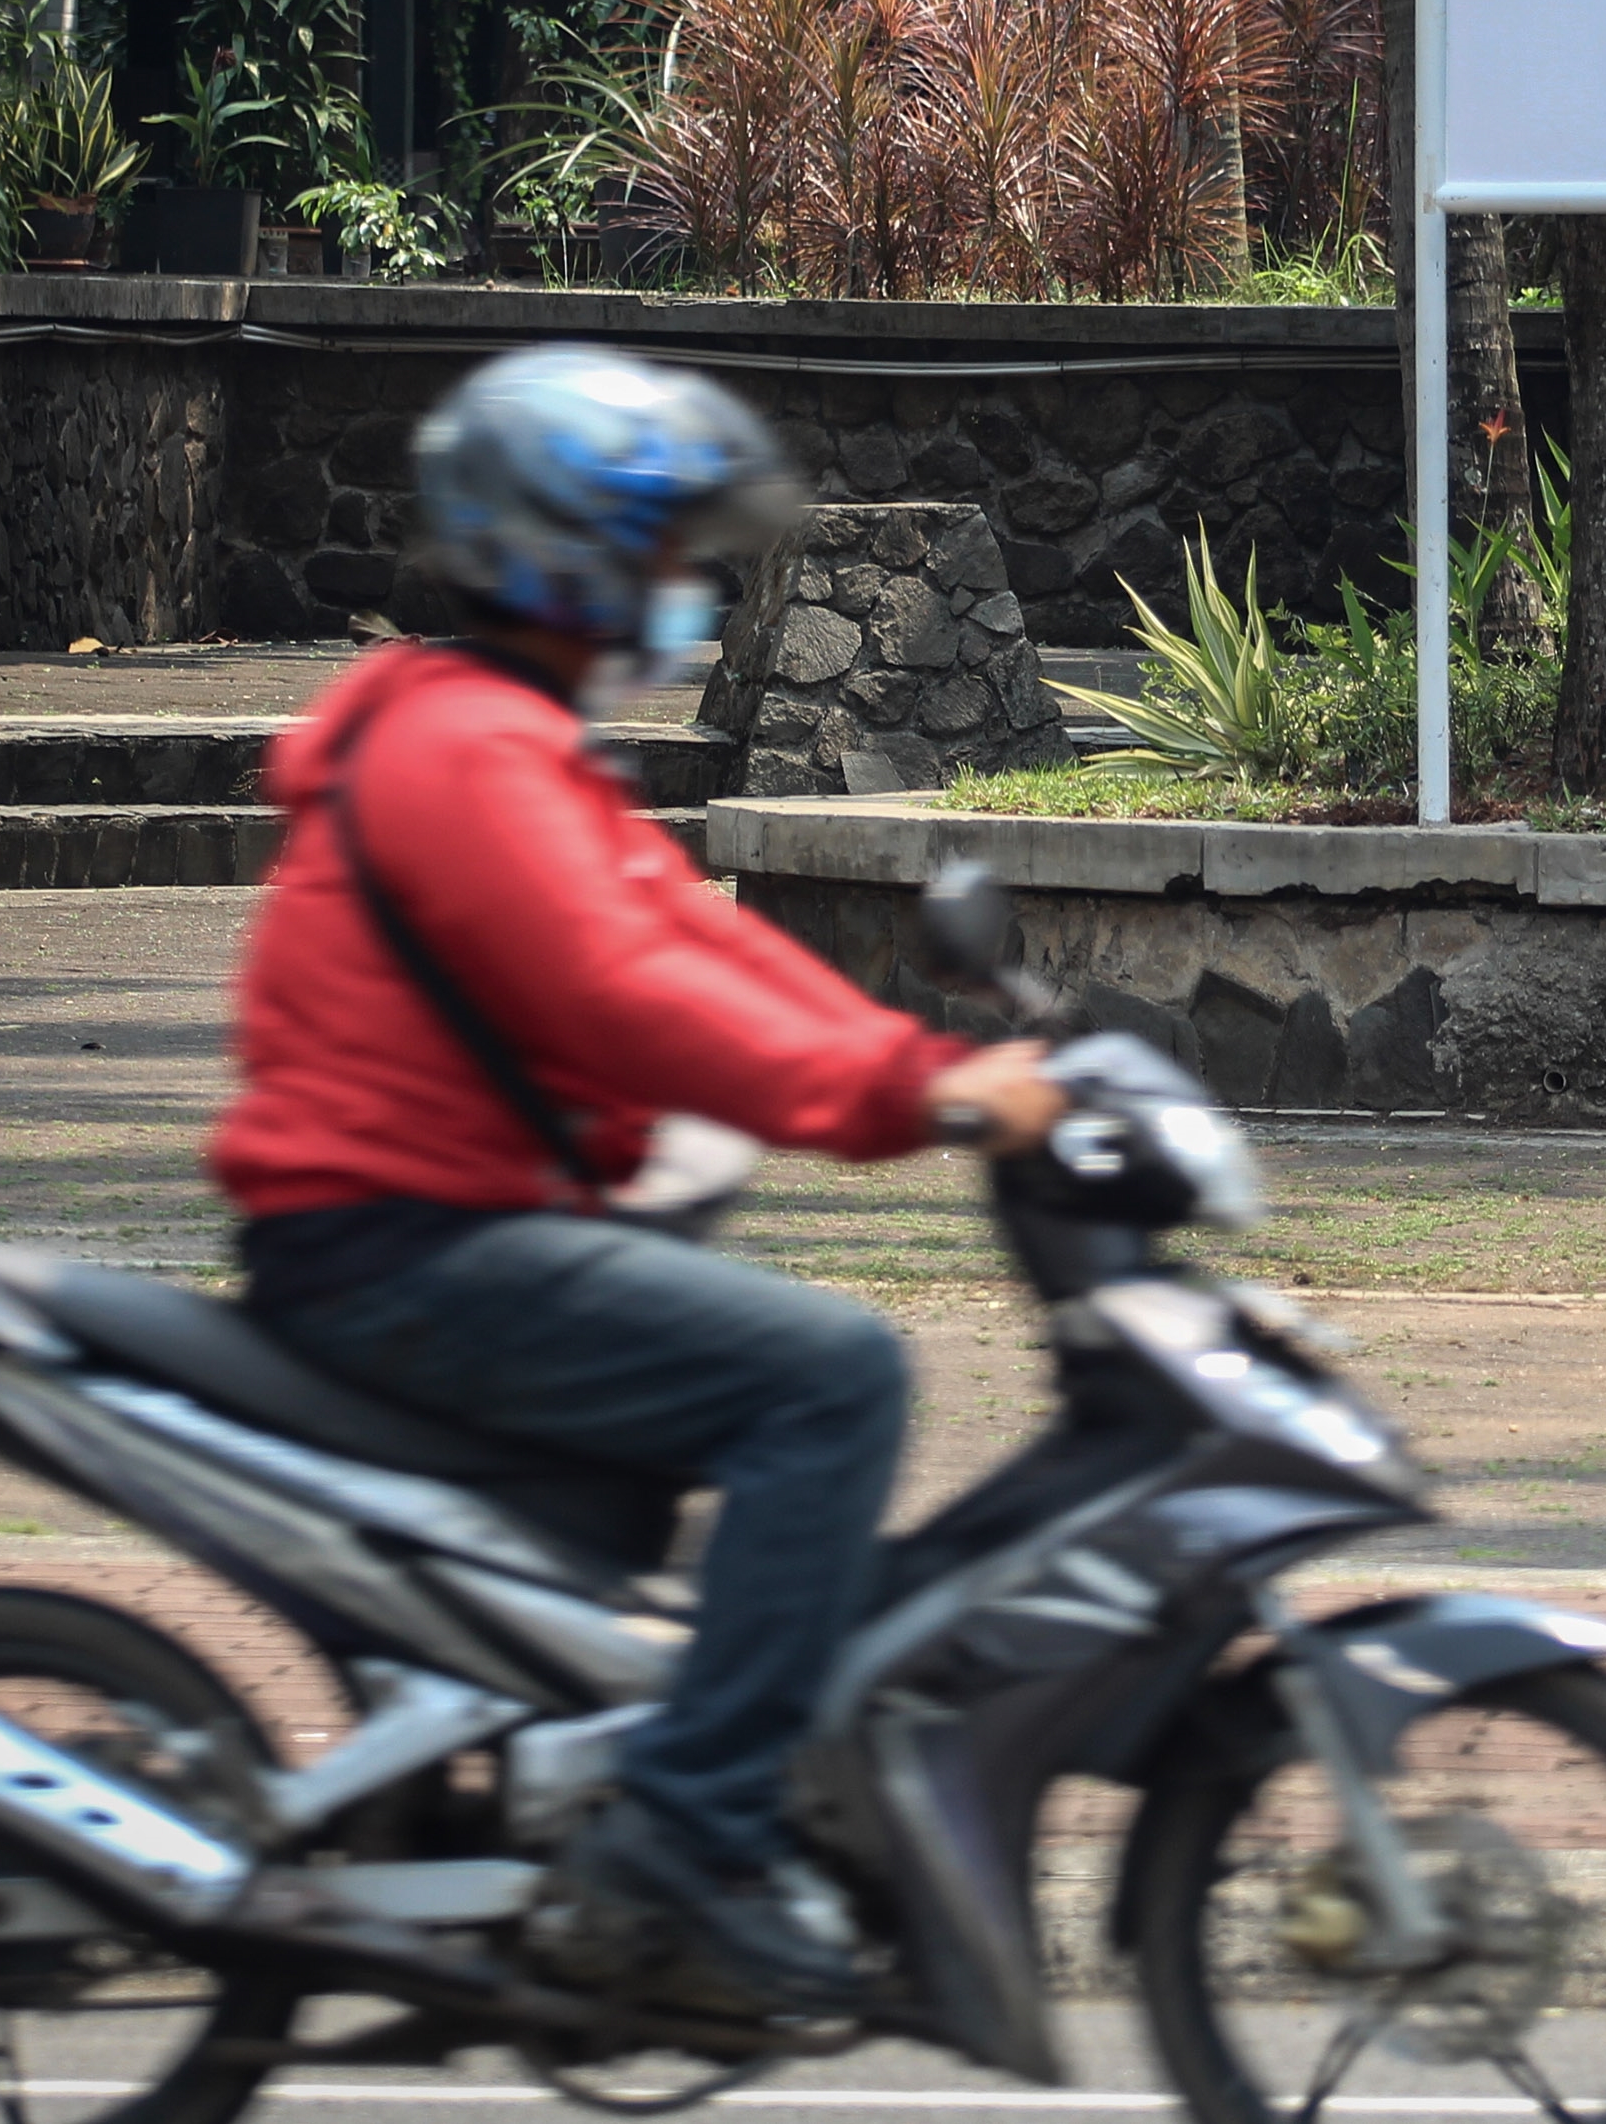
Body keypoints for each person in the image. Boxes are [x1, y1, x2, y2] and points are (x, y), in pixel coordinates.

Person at [207, 345, 1064, 2012]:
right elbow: (631, 993)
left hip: (434, 1225)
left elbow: (696, 943)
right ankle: (682, 1836)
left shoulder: (506, 741)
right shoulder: (470, 754)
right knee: (830, 1377)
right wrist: (914, 1092)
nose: (688, 585)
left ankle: (591, 1776)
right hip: (405, 1244)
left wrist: (920, 1058)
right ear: (565, 554)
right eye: (662, 548)